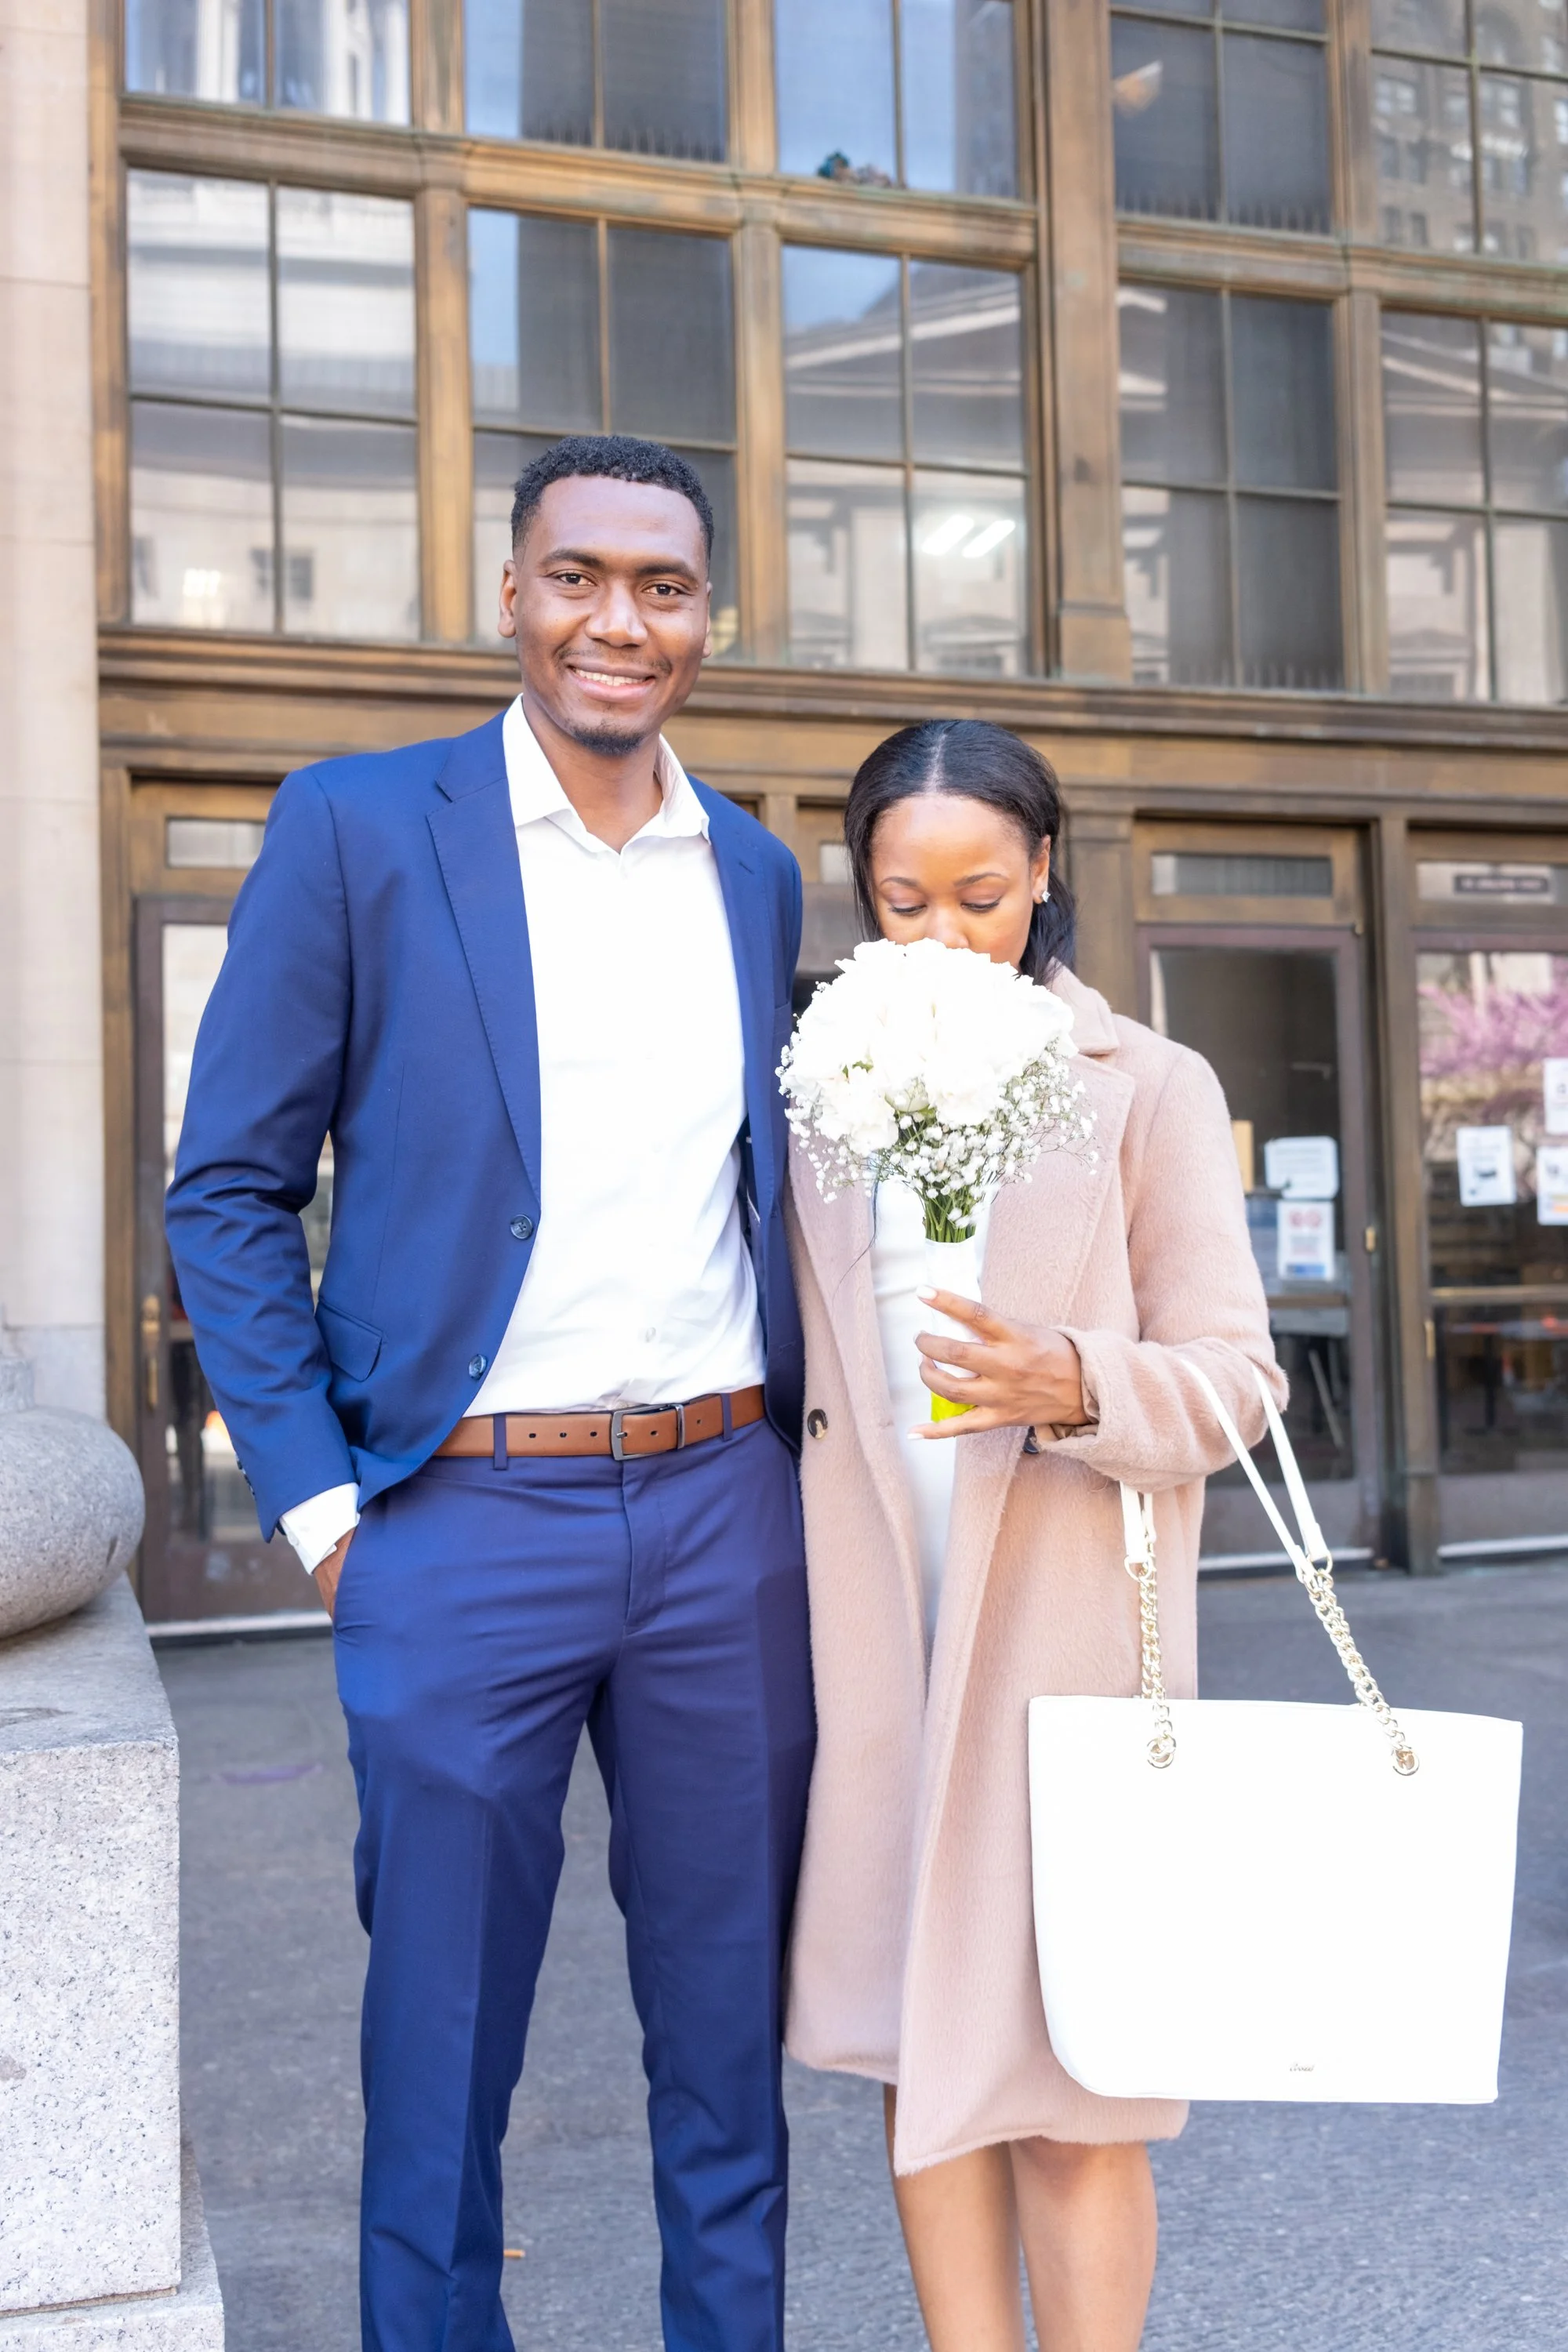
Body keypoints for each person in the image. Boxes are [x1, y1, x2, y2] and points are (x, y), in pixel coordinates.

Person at [165, 434, 815, 2352]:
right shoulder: (362, 827)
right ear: (510, 592)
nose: (619, 620)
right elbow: (228, 1186)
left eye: (664, 586)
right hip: (460, 1523)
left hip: (723, 1518)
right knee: (437, 2054)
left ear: (707, 614)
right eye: (578, 576)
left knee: (728, 2040)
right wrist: (321, 1511)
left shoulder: (760, 873)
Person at [782, 719, 1283, 2352]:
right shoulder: (823, 1096)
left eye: (982, 898)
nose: (942, 939)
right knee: (920, 2057)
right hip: (874, 1648)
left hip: (1064, 1649)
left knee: (1082, 2090)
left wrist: (1069, 1379)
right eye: (903, 902)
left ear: (1045, 874)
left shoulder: (1146, 1086)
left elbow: (1235, 1384)